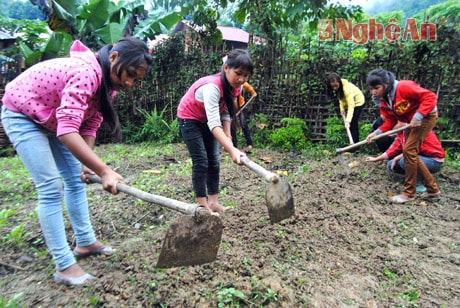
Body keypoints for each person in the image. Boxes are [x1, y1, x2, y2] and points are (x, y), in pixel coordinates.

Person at [1, 37, 153, 285]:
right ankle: (64, 265)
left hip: (52, 119)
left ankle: (85, 242)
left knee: (75, 180)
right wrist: (103, 170)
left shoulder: (107, 87)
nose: (129, 82)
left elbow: (90, 123)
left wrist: (88, 165)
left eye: (136, 79)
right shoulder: (86, 72)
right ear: (113, 57)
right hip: (23, 114)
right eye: (129, 74)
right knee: (51, 187)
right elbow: (67, 129)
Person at [177, 49, 253, 213]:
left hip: (207, 119)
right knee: (201, 161)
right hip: (189, 119)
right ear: (226, 68)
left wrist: (227, 137)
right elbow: (213, 123)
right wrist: (232, 149)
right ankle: (202, 205)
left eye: (246, 76)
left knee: (214, 160)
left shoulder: (235, 87)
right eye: (238, 73)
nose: (241, 79)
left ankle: (213, 202)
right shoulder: (213, 87)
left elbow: (225, 111)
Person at [364, 69, 440, 203]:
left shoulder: (404, 87)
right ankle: (432, 190)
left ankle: (409, 193)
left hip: (426, 116)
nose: (374, 92)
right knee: (410, 153)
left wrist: (419, 115)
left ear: (386, 84)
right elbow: (390, 121)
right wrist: (376, 133)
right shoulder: (384, 100)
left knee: (409, 151)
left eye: (377, 88)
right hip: (412, 121)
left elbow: (430, 97)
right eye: (371, 89)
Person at [365, 124, 445, 193]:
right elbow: (393, 149)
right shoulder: (401, 134)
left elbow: (414, 150)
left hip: (433, 160)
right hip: (418, 157)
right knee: (390, 164)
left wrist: (397, 158)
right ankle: (413, 177)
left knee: (405, 160)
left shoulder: (416, 129)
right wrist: (376, 159)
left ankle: (420, 182)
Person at [326, 72, 365, 143]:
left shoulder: (346, 89)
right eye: (332, 87)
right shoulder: (338, 89)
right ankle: (352, 143)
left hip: (358, 101)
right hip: (349, 103)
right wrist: (342, 109)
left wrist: (347, 121)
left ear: (339, 83)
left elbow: (351, 106)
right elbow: (341, 99)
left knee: (352, 122)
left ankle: (355, 145)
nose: (334, 88)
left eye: (336, 86)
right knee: (350, 123)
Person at [231, 81, 257, 150]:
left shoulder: (239, 84)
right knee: (232, 125)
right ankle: (234, 144)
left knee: (243, 124)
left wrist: (252, 92)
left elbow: (246, 85)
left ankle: (249, 144)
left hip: (241, 106)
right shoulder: (227, 87)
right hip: (231, 108)